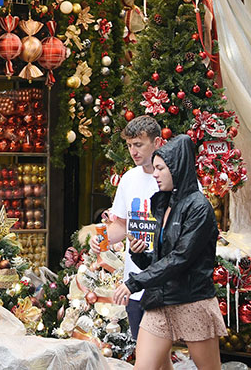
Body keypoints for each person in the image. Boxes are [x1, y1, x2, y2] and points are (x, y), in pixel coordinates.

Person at [112, 135, 226, 370]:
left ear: (177, 168)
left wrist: (134, 283)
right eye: (154, 168)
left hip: (192, 301)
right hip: (159, 300)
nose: (154, 174)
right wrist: (140, 255)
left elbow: (180, 259)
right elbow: (163, 258)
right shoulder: (164, 203)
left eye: (160, 168)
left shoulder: (199, 207)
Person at [90, 116, 166, 350]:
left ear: (157, 143)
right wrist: (100, 240)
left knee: (151, 355)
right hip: (134, 284)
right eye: (130, 145)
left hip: (164, 283)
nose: (133, 151)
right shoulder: (129, 179)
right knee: (149, 355)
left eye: (139, 145)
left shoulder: (171, 178)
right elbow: (122, 225)